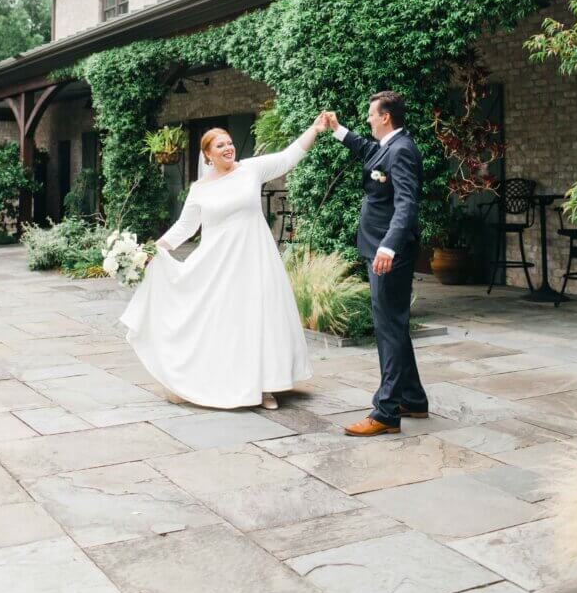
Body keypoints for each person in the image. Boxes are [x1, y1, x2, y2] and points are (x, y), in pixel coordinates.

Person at [120, 117, 327, 410]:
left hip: (256, 259)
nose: (228, 148)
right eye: (221, 145)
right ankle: (228, 381)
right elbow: (185, 227)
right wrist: (154, 249)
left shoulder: (250, 170)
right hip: (218, 265)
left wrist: (315, 129)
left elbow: (287, 158)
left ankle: (266, 386)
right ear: (208, 154)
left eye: (230, 142)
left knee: (258, 317)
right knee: (228, 323)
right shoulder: (200, 189)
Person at [323, 92, 428, 436]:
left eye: (371, 114)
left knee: (389, 329)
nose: (368, 119)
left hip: (388, 255)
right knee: (393, 325)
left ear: (385, 117)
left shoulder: (402, 151)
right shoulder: (389, 145)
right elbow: (369, 152)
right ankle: (412, 399)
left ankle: (385, 413)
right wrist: (339, 130)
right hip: (379, 249)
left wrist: (388, 247)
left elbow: (406, 204)